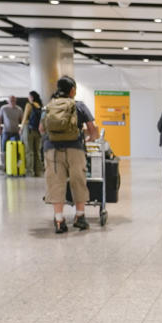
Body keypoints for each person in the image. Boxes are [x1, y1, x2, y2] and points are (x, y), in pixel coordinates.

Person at [40, 76, 98, 233]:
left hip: (52, 149)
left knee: (56, 183)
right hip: (75, 149)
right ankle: (80, 217)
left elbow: (41, 129)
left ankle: (59, 220)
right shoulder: (79, 106)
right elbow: (93, 130)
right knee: (78, 181)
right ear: (72, 90)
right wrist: (89, 138)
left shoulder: (48, 106)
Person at [21, 91, 44, 177]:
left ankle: (30, 172)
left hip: (29, 130)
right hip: (38, 131)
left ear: (32, 97)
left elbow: (25, 117)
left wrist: (21, 129)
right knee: (37, 151)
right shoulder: (40, 106)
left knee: (29, 151)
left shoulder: (29, 105)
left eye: (29, 96)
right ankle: (38, 171)